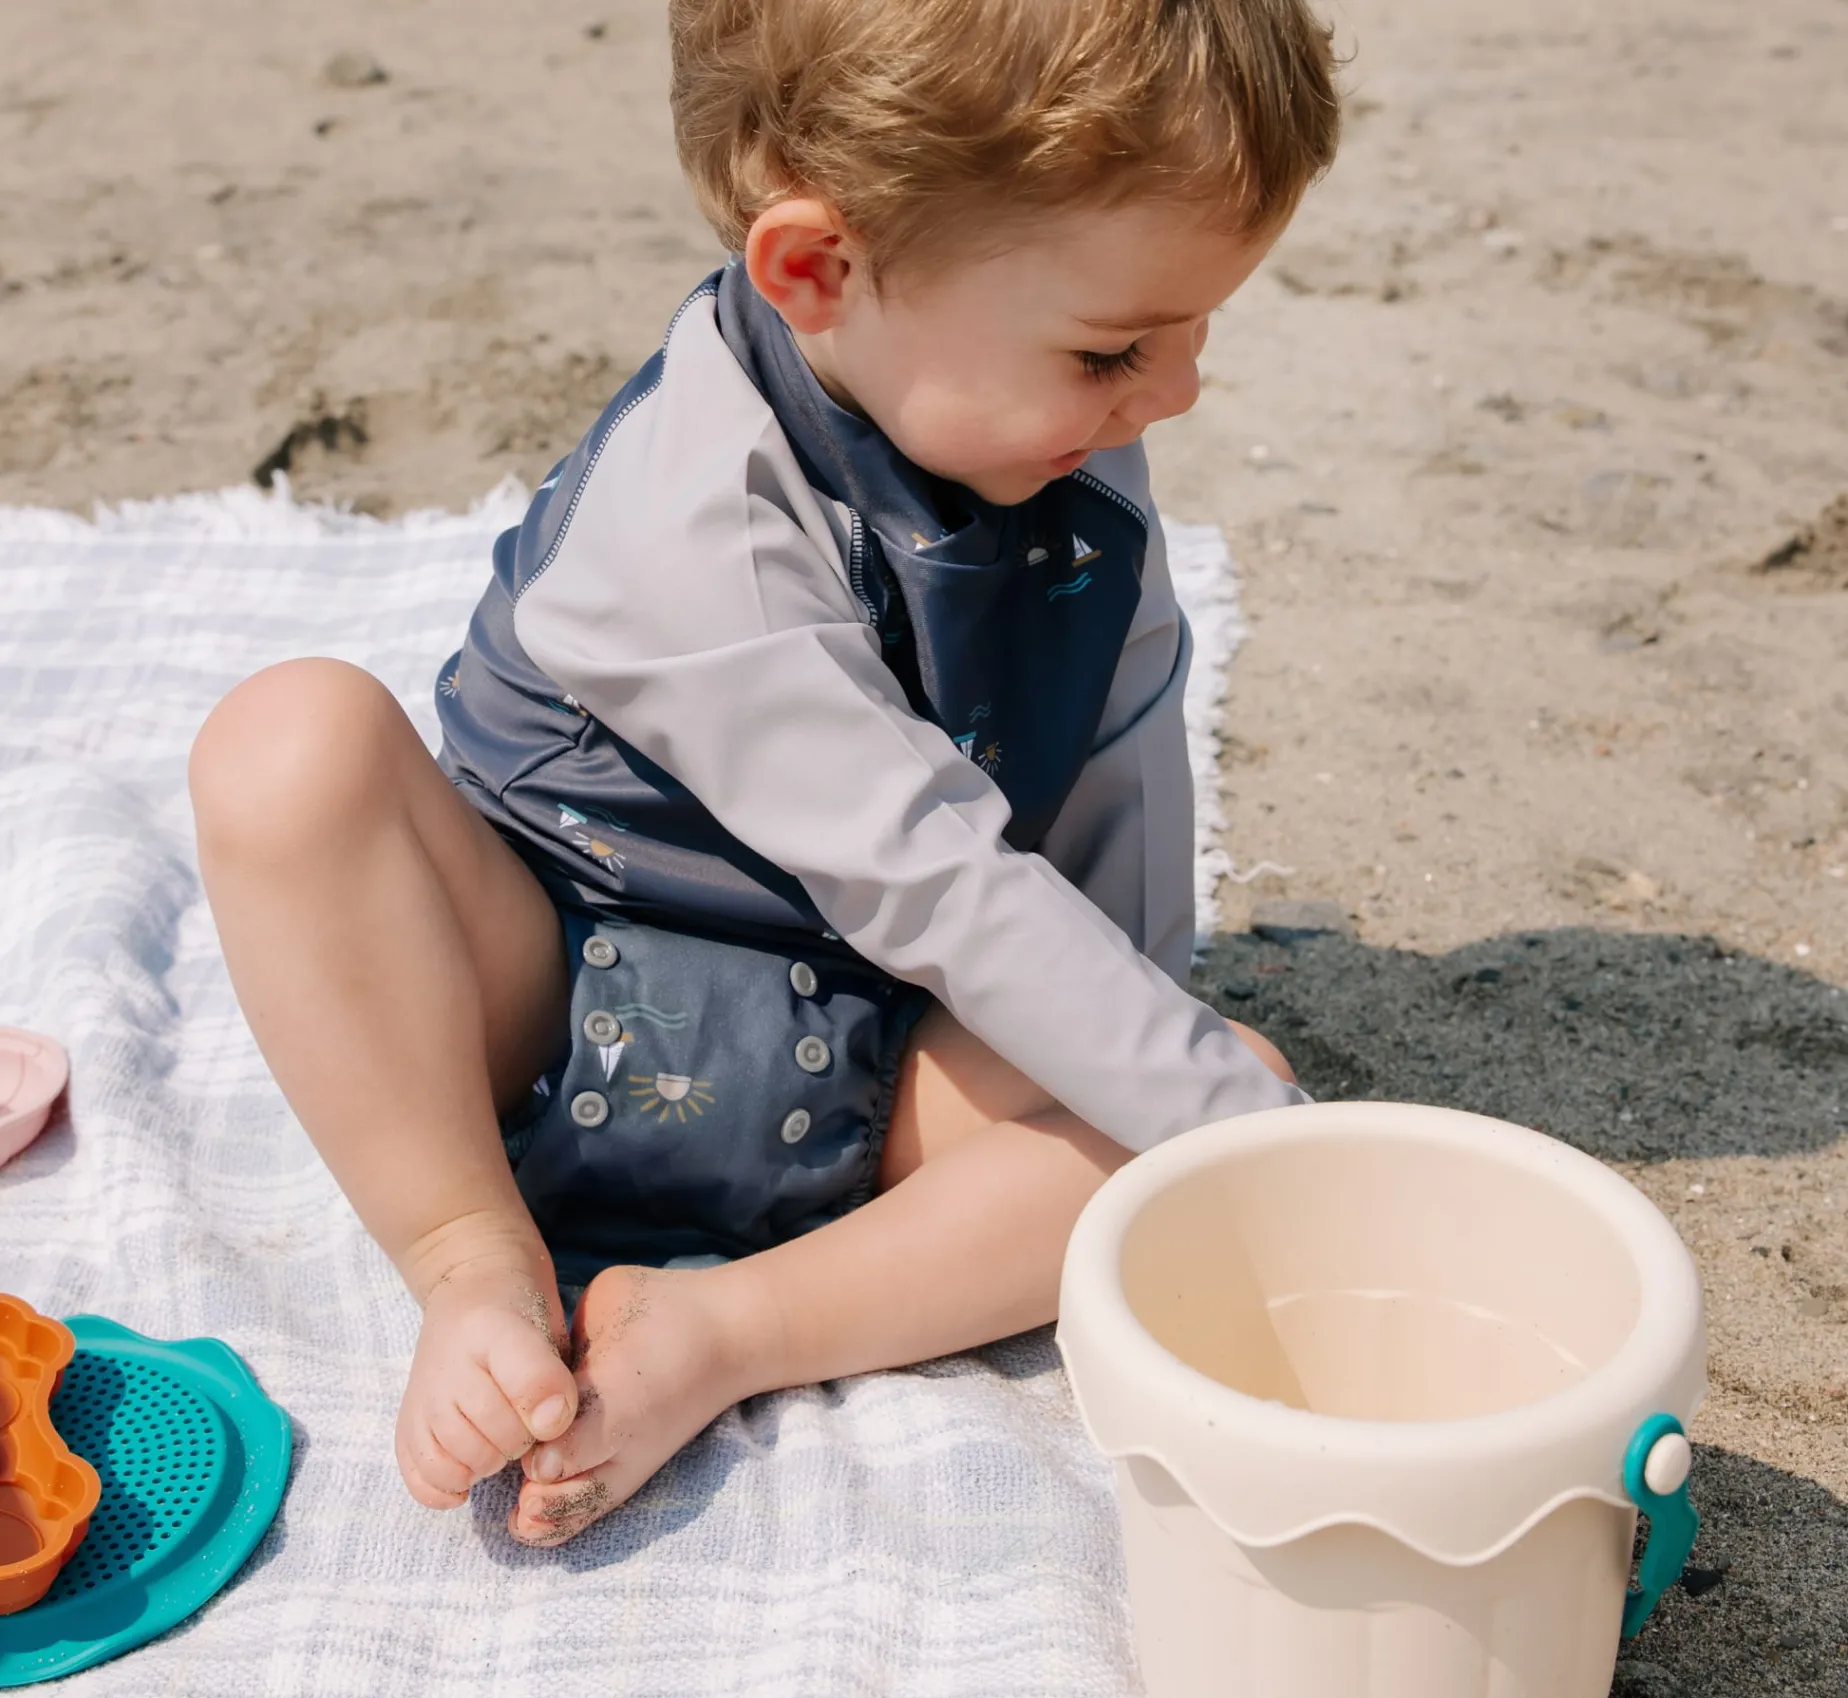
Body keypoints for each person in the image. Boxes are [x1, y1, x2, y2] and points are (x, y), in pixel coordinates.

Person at [188, 0, 1340, 1548]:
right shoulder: (690, 525)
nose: (1177, 389)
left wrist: (1187, 1095)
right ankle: (474, 1260)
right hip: (553, 1000)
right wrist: (1269, 1160)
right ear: (816, 272)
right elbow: (929, 875)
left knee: (1187, 1105)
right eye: (1116, 347)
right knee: (287, 746)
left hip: (862, 1056)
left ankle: (720, 1331)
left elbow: (1119, 751)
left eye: (1198, 330)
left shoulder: (1058, 438)